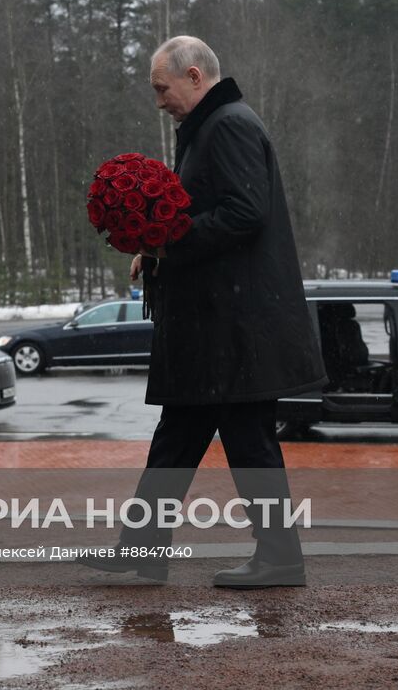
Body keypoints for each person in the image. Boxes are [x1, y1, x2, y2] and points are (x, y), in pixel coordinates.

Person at [78, 36, 326, 588]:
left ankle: (280, 558)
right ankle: (142, 552)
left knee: (248, 441)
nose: (159, 100)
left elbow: (244, 213)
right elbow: (217, 212)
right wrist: (154, 245)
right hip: (218, 324)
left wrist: (168, 242)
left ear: (194, 76)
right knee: (180, 437)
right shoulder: (214, 125)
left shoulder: (229, 125)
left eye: (162, 88)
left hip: (232, 327)